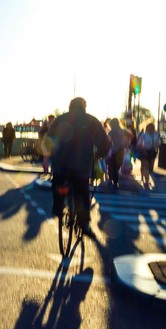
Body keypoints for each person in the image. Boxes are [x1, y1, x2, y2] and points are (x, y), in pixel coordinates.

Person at [44, 97, 110, 237]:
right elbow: (104, 142)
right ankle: (83, 223)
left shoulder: (60, 119)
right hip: (81, 164)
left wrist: (49, 155)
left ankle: (57, 207)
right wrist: (99, 155)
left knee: (58, 183)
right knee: (82, 192)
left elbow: (48, 139)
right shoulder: (91, 121)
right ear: (84, 107)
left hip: (61, 163)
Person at [106, 118, 129, 189]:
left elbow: (107, 141)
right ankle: (115, 182)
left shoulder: (112, 132)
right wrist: (125, 145)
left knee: (111, 166)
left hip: (113, 151)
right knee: (117, 167)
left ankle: (110, 180)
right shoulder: (124, 131)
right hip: (121, 151)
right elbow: (129, 139)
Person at [136, 122, 161, 188]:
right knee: (146, 166)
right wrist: (142, 148)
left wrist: (156, 145)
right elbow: (139, 144)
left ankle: (146, 176)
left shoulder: (156, 134)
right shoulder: (144, 135)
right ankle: (146, 181)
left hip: (152, 151)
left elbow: (159, 143)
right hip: (145, 151)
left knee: (151, 167)